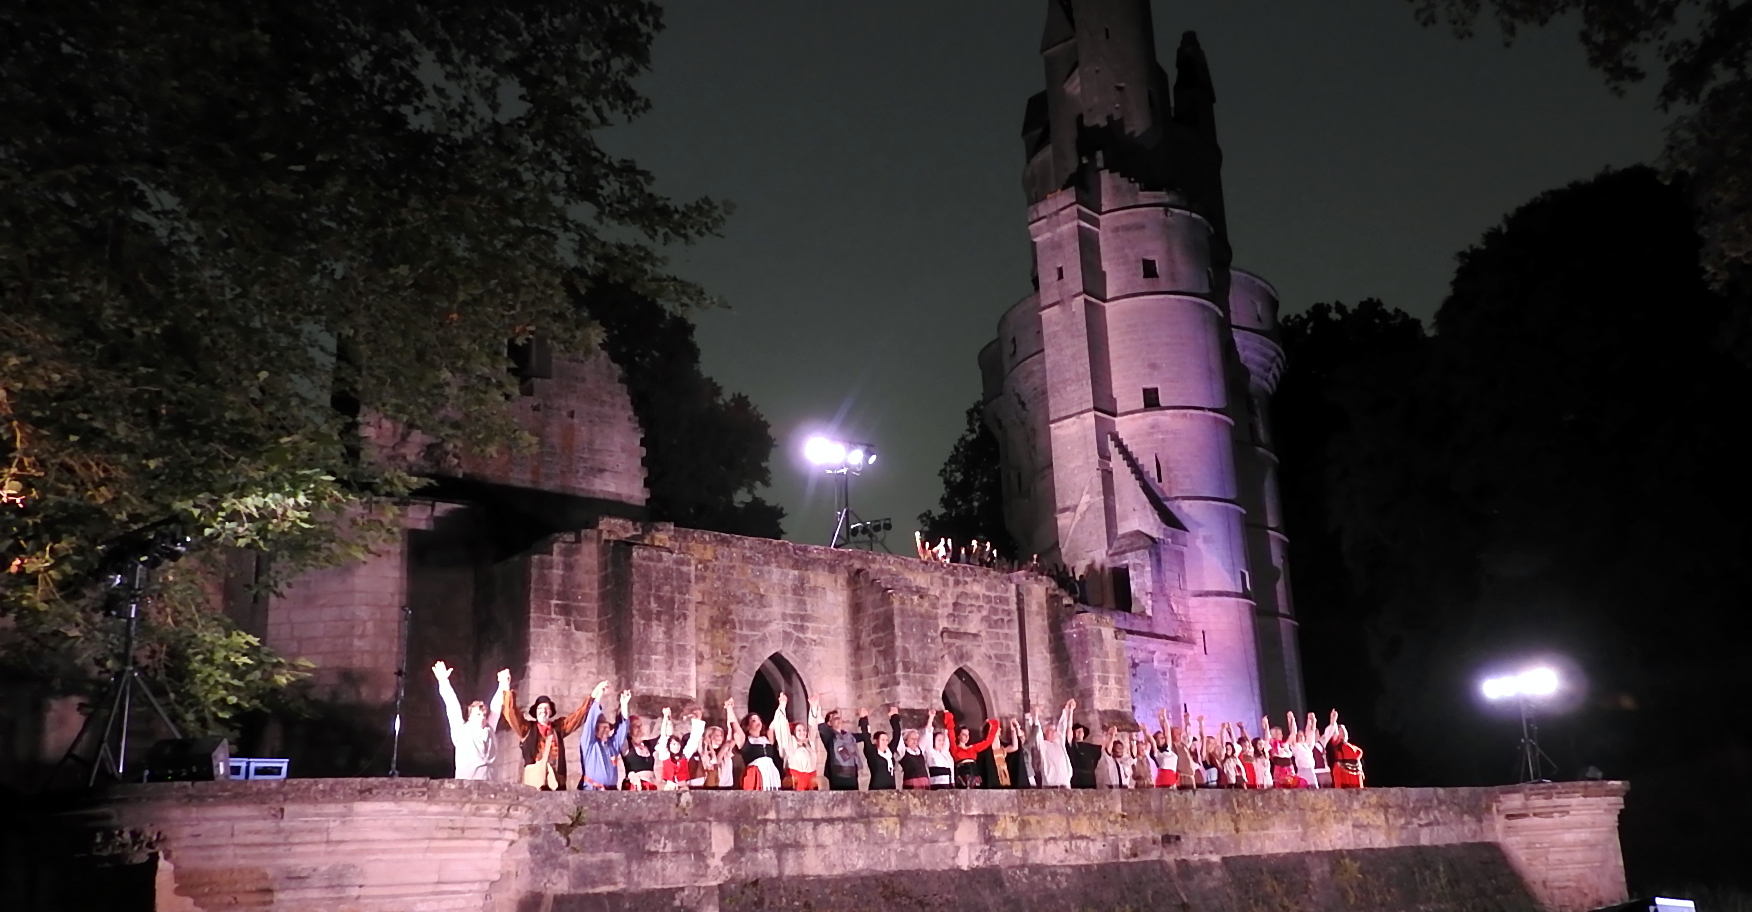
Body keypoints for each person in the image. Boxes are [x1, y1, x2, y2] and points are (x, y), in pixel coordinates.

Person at [501, 671, 595, 790]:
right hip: (536, 780)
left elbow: (577, 718)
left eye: (546, 708)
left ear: (551, 712)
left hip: (557, 780)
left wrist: (593, 698)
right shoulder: (528, 729)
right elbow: (511, 713)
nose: (543, 711)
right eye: (540, 708)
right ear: (535, 712)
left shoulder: (558, 728)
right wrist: (506, 687)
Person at [432, 661, 506, 781]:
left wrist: (503, 684)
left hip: (490, 784)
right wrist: (444, 681)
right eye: (478, 714)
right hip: (467, 785)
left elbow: (496, 707)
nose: (482, 717)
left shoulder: (489, 729)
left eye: (484, 715)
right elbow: (452, 706)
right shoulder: (461, 731)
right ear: (470, 717)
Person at [578, 687, 631, 790]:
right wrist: (599, 695)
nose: (606, 730)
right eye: (603, 727)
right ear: (595, 729)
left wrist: (624, 704)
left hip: (611, 791)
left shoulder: (612, 745)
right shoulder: (589, 744)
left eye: (607, 727)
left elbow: (623, 729)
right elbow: (590, 721)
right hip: (593, 790)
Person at [771, 694, 823, 790]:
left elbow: (813, 728)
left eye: (804, 730)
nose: (802, 732)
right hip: (795, 780)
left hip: (811, 779)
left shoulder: (809, 744)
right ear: (794, 733)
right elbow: (783, 728)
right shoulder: (790, 745)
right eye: (799, 730)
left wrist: (814, 707)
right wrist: (782, 705)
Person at [727, 700, 783, 790]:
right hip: (755, 772)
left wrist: (781, 705)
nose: (758, 722)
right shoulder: (745, 740)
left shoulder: (767, 738)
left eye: (758, 719)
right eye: (753, 720)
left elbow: (775, 722)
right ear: (748, 726)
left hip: (771, 772)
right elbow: (735, 725)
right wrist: (729, 708)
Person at [943, 710, 1000, 788]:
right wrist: (948, 716)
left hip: (975, 777)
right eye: (964, 734)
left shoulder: (973, 748)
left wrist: (993, 724)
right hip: (963, 778)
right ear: (958, 736)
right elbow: (951, 732)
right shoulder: (955, 748)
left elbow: (987, 742)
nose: (966, 737)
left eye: (968, 734)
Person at [654, 707, 703, 789]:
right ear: (668, 745)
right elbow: (663, 736)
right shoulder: (665, 755)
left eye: (678, 744)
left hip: (683, 786)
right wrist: (665, 718)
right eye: (673, 744)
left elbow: (694, 739)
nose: (676, 746)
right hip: (669, 786)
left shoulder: (685, 755)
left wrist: (697, 721)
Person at [1030, 700, 1074, 788]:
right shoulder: (1043, 744)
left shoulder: (1059, 743)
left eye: (1055, 730)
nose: (1055, 732)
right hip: (1050, 785)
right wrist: (1035, 716)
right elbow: (1037, 732)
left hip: (1065, 783)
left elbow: (1062, 727)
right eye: (1051, 730)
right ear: (1045, 732)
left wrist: (1067, 710)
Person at [819, 708, 864, 791]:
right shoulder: (829, 736)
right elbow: (821, 726)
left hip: (851, 774)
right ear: (829, 723)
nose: (839, 720)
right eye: (835, 718)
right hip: (837, 774)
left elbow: (866, 736)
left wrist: (863, 719)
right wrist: (815, 707)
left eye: (839, 718)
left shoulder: (849, 736)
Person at [857, 706, 901, 790]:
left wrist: (894, 717)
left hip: (891, 788)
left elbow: (897, 735)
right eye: (882, 740)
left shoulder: (889, 751)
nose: (885, 742)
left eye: (886, 740)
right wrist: (864, 719)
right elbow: (866, 737)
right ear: (876, 741)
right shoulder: (872, 752)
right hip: (877, 788)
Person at [1326, 710, 1365, 789]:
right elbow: (1333, 734)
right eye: (1340, 731)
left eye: (1344, 731)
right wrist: (1333, 721)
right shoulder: (1337, 743)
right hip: (1344, 773)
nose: (1343, 732)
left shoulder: (1351, 746)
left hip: (1356, 773)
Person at [922, 710, 955, 788]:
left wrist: (948, 719)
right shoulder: (931, 753)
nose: (942, 742)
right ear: (934, 741)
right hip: (937, 785)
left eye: (942, 740)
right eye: (939, 740)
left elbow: (947, 736)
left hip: (949, 785)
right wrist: (931, 718)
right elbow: (928, 734)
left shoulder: (945, 753)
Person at [1067, 721, 1102, 789]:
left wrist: (1111, 736)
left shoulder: (1090, 747)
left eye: (1081, 731)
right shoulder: (1071, 745)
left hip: (1090, 780)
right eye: (1077, 731)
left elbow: (1104, 749)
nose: (1079, 733)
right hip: (1077, 778)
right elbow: (1068, 735)